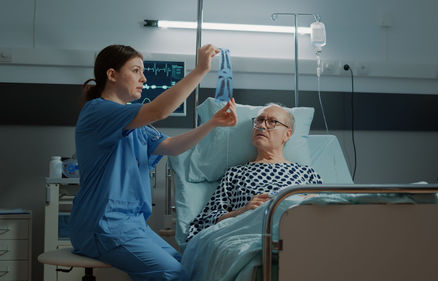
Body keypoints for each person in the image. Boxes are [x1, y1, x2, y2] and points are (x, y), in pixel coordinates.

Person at [69, 44, 237, 281]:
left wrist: (212, 123)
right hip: (102, 226)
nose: (144, 78)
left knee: (185, 266)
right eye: (136, 70)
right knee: (171, 273)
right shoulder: (98, 111)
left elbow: (172, 147)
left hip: (133, 226)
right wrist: (200, 70)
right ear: (112, 74)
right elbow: (159, 110)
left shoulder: (134, 122)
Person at [186, 104, 323, 242]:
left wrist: (312, 201)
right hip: (253, 236)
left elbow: (331, 210)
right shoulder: (235, 173)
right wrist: (242, 211)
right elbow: (204, 222)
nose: (262, 126)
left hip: (300, 231)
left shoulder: (306, 173)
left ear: (287, 134)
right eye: (259, 120)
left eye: (272, 122)